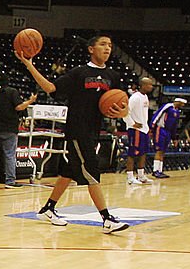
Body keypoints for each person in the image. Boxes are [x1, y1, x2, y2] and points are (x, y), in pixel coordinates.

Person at [18, 34, 130, 233]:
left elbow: (122, 105)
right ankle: (106, 218)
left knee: (69, 171)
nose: (107, 48)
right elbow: (51, 88)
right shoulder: (79, 73)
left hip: (94, 129)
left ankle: (48, 208)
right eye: (103, 44)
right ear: (91, 49)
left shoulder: (113, 76)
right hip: (77, 130)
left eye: (110, 45)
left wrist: (123, 112)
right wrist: (29, 65)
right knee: (92, 170)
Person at [0, 85, 36, 187]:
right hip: (9, 130)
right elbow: (19, 107)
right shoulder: (12, 92)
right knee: (10, 156)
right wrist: (30, 101)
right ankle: (10, 181)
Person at [148, 95, 187, 180]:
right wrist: (152, 126)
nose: (183, 105)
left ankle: (160, 170)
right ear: (179, 102)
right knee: (159, 150)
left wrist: (174, 138)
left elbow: (174, 126)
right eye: (183, 103)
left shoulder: (177, 112)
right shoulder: (168, 106)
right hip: (160, 129)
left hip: (168, 132)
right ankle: (155, 170)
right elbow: (158, 114)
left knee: (163, 151)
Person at [123, 77, 154, 184]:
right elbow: (125, 112)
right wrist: (132, 123)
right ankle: (130, 177)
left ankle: (141, 175)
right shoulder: (135, 98)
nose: (151, 87)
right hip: (135, 130)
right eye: (149, 84)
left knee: (143, 153)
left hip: (144, 130)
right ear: (142, 85)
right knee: (133, 153)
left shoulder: (145, 97)